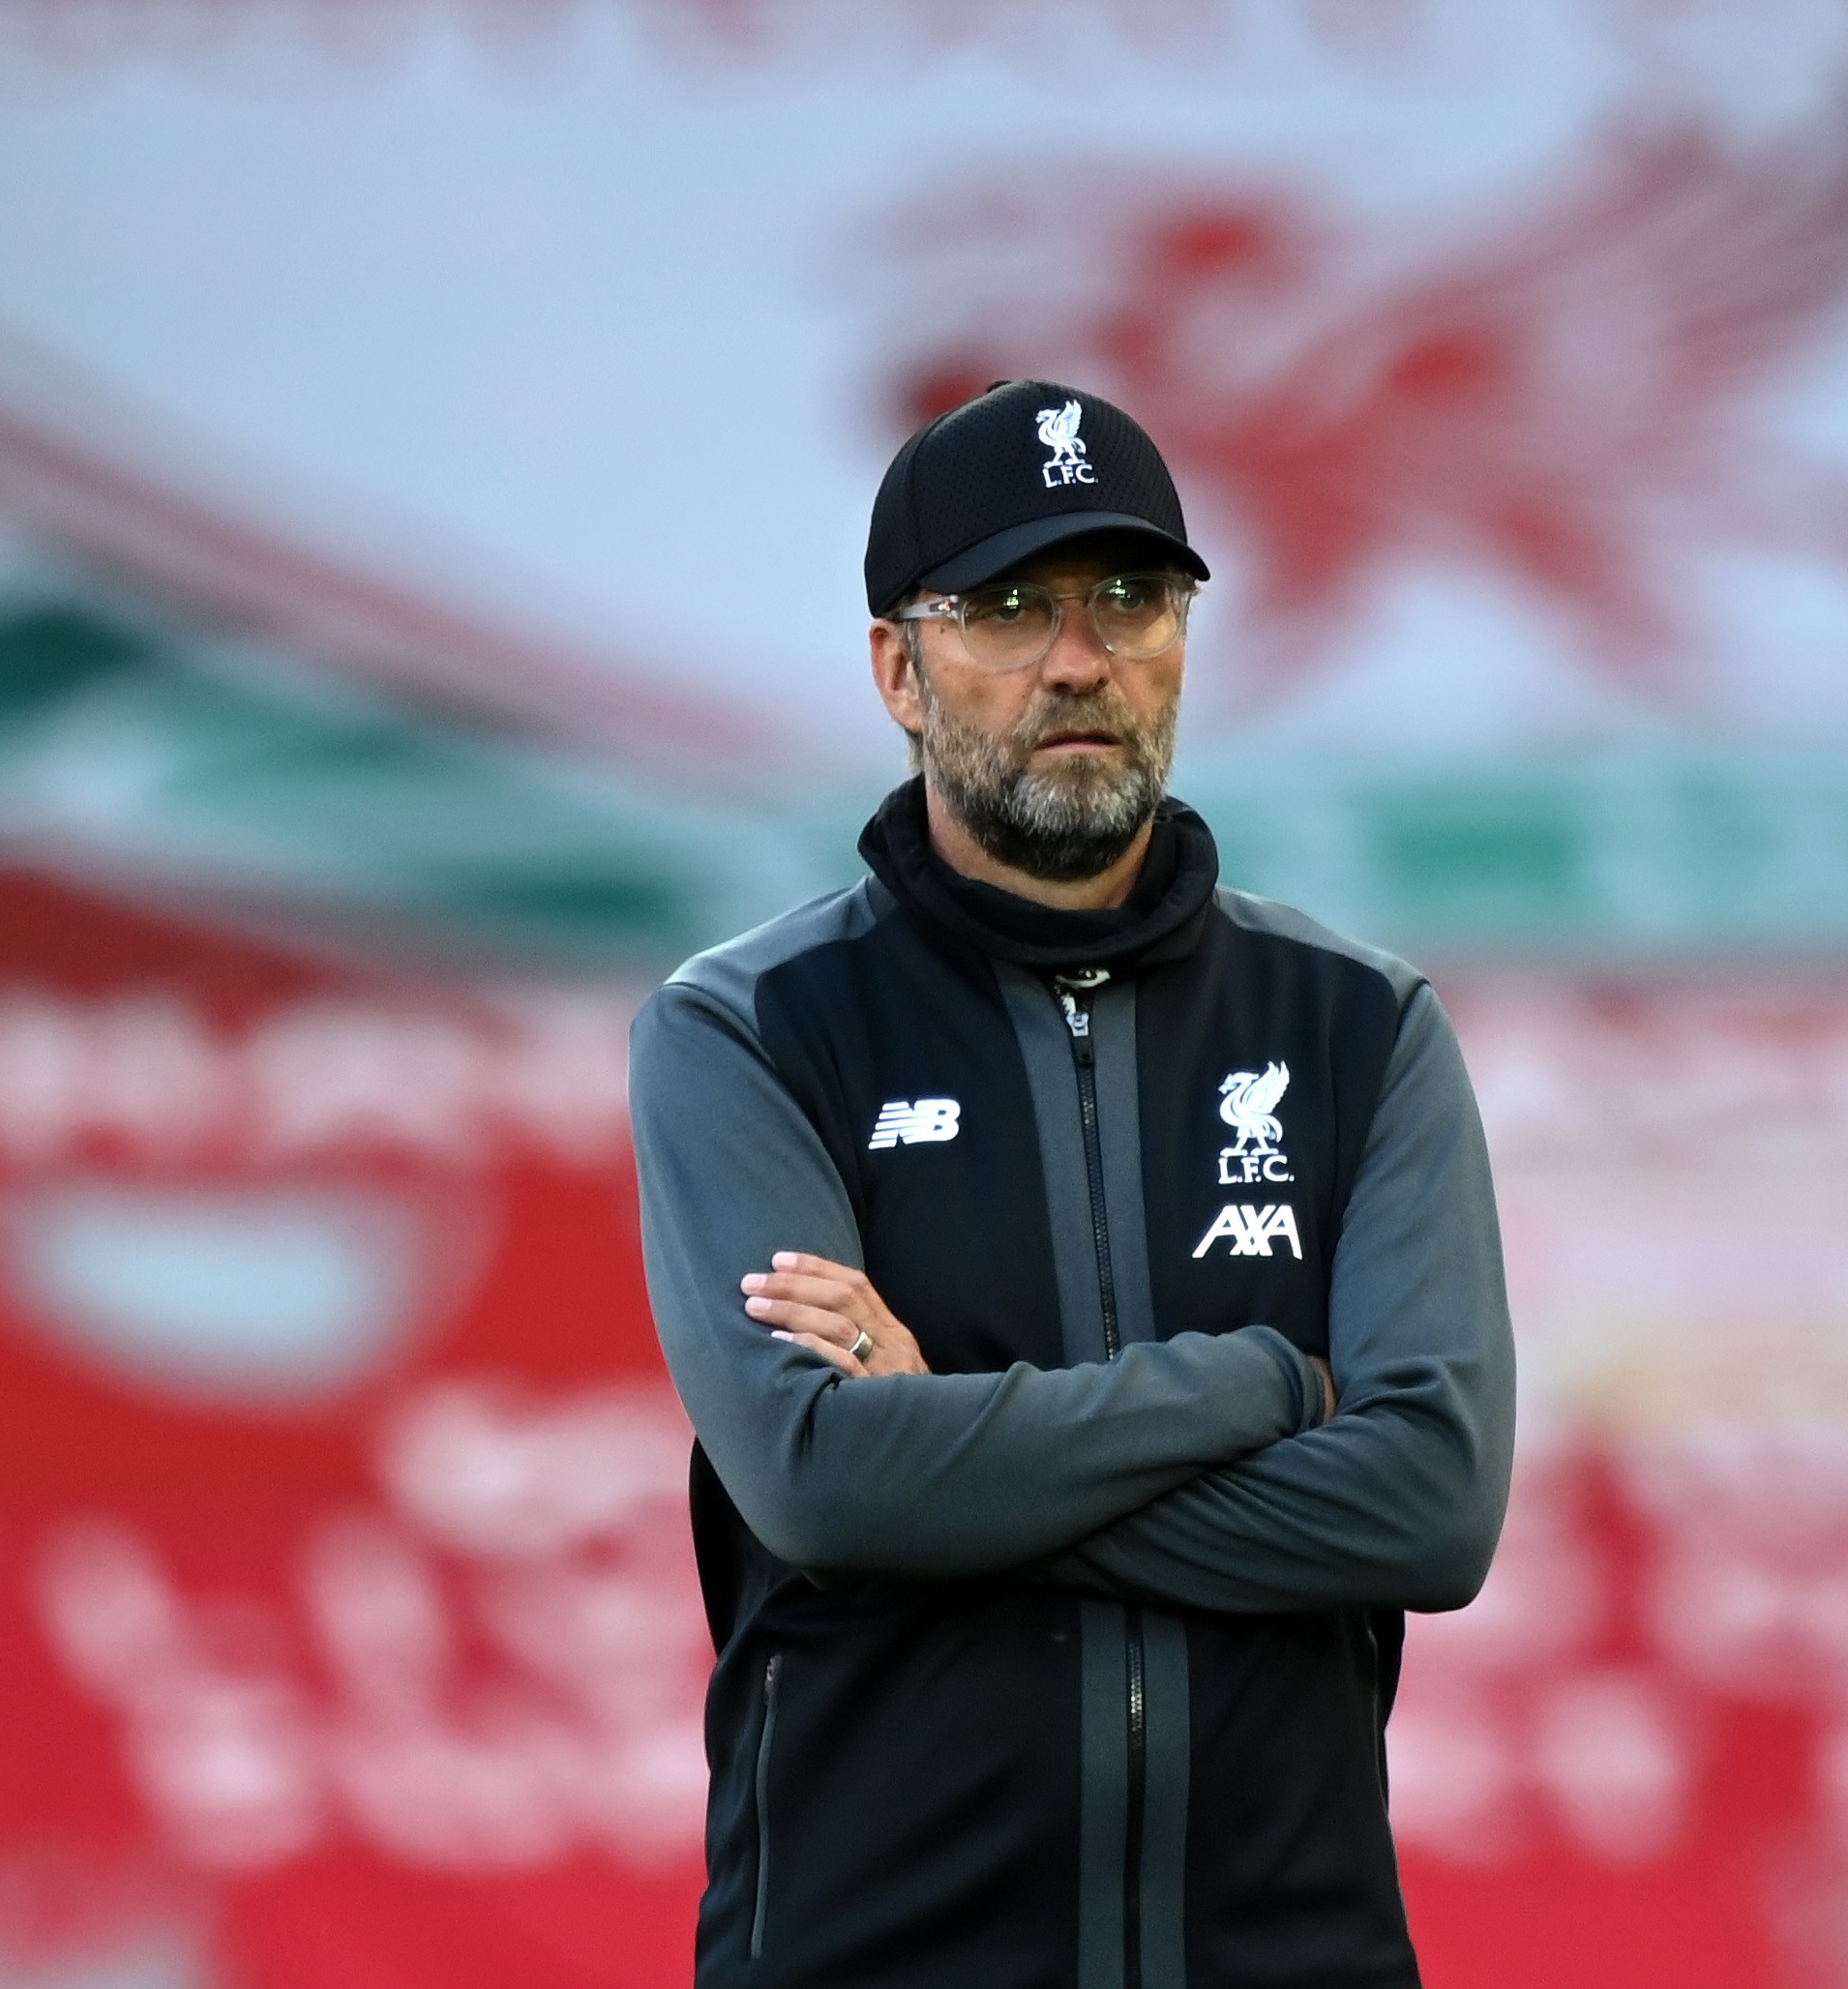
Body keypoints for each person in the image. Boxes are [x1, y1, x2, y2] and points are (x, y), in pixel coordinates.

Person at [631, 376, 1515, 1988]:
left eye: (1130, 598)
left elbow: (1428, 1508)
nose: (1078, 659)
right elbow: (825, 1484)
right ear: (899, 667)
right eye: (1008, 608)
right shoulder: (744, 1029)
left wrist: (950, 1451)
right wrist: (1258, 1382)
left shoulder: (1359, 1026)